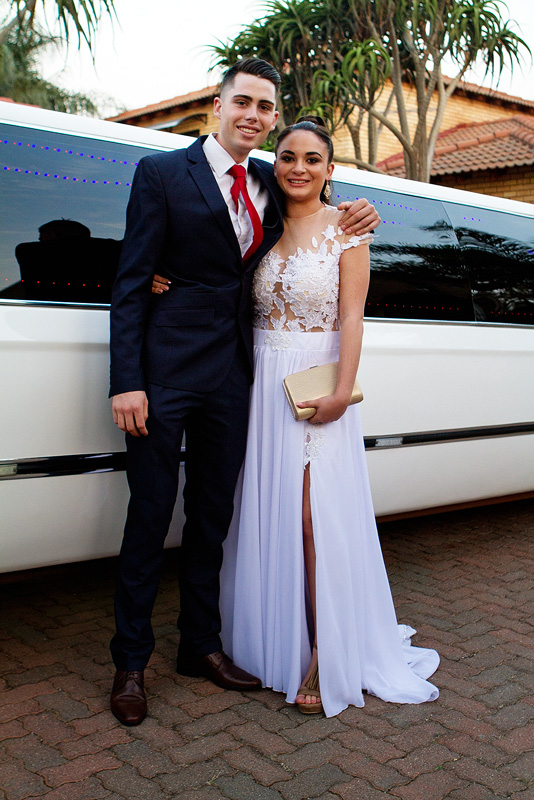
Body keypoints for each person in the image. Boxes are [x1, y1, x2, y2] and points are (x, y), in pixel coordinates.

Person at [109, 58, 380, 726]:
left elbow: (318, 208)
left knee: (213, 519)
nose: (253, 116)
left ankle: (200, 646)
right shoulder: (161, 173)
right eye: (243, 103)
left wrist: (366, 206)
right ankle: (130, 665)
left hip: (236, 381)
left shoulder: (269, 179)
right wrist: (127, 382)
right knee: (150, 516)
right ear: (219, 105)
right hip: (166, 376)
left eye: (265, 107)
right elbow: (131, 278)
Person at [212, 118, 439, 717]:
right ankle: (270, 638)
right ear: (274, 163)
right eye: (288, 156)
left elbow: (353, 318)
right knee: (265, 513)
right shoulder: (255, 225)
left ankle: (323, 649)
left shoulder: (348, 229)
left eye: (313, 159)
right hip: (260, 385)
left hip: (318, 384)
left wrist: (342, 393)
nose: (299, 168)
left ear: (330, 169)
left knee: (315, 520)